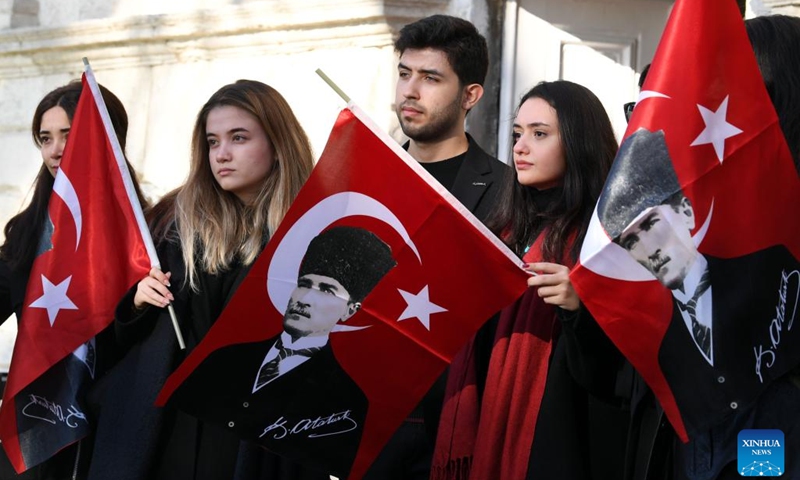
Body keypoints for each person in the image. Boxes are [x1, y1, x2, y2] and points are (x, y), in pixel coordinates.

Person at [86, 80, 324, 480]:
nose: (222, 154)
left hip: (257, 438)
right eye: (213, 142)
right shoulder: (172, 223)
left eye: (239, 138)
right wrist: (137, 303)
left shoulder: (312, 231)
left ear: (279, 143)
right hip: (169, 430)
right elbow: (122, 342)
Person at [431, 80, 624, 479]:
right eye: (518, 134)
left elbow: (622, 371)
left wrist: (580, 308)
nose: (520, 147)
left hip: (562, 442)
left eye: (539, 134)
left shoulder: (606, 238)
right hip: (488, 424)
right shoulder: (502, 229)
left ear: (578, 142)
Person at [369, 14, 510, 479]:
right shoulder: (367, 180)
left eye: (430, 78)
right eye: (405, 73)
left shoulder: (507, 190)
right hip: (362, 418)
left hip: (458, 421)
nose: (410, 90)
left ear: (470, 95)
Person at [0, 81, 147, 479]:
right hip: (37, 424)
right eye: (45, 139)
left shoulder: (147, 234)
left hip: (112, 431)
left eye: (69, 135)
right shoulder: (27, 234)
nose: (55, 150)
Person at [169, 226, 396, 478]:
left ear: (349, 310)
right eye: (304, 284)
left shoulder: (347, 398)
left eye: (326, 290)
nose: (305, 298)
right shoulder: (226, 357)